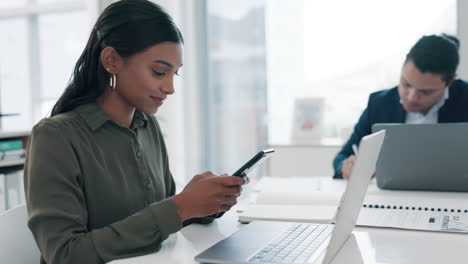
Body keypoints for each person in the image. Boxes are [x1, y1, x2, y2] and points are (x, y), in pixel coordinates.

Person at [24, 1, 247, 263]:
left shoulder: (146, 125)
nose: (170, 88)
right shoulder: (55, 137)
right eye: (159, 72)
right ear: (112, 61)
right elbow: (65, 254)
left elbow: (159, 222)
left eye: (175, 74)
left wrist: (202, 204)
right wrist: (179, 207)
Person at [333, 34, 468, 179]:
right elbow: (342, 157)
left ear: (450, 82)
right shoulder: (379, 103)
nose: (411, 97)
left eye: (425, 92)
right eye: (406, 84)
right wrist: (346, 167)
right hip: (391, 198)